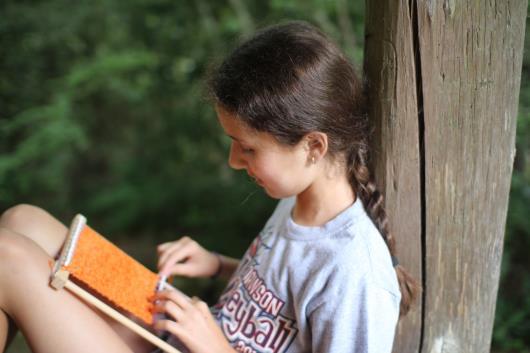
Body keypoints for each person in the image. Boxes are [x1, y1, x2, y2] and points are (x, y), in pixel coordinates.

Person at [0, 20, 420, 353]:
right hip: (171, 339)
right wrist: (217, 263)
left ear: (312, 146)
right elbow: (282, 295)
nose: (235, 161)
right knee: (24, 221)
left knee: (6, 257)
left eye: (248, 149)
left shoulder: (356, 271)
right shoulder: (298, 199)